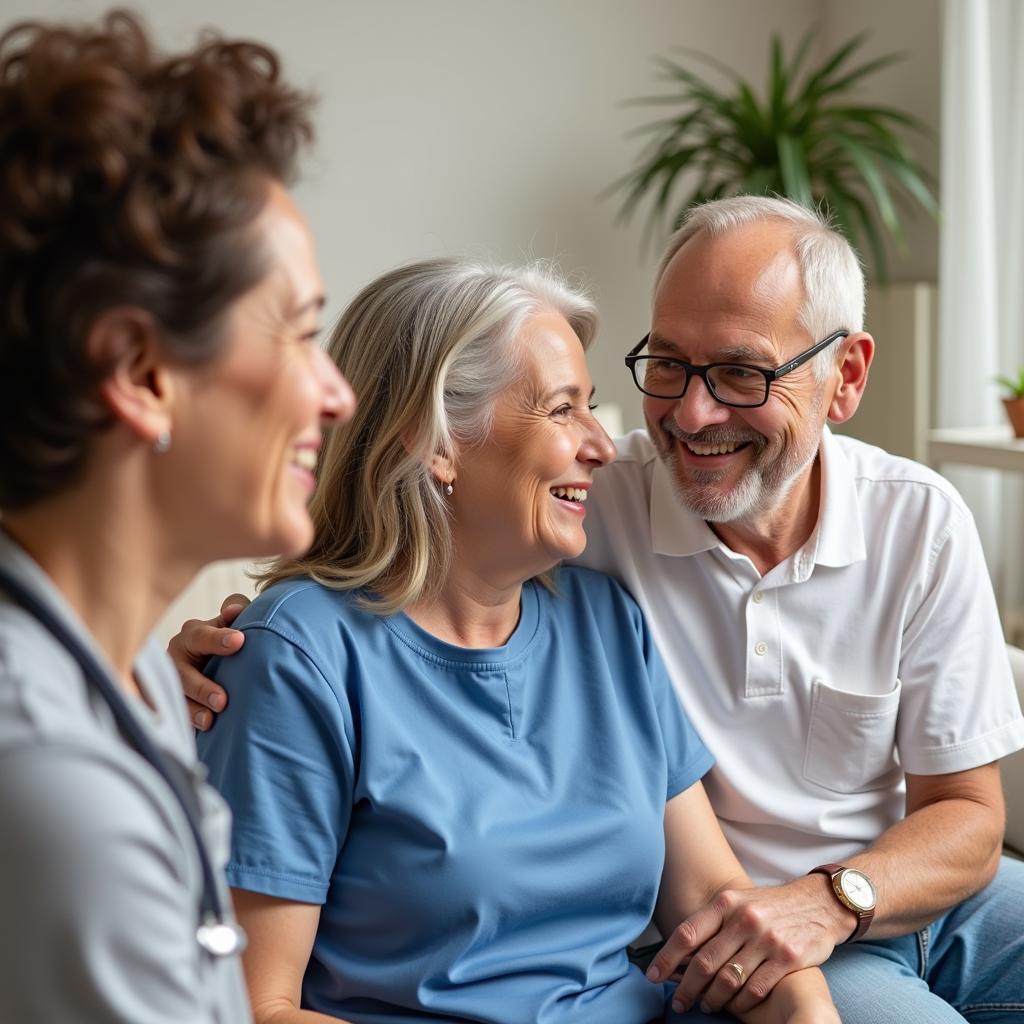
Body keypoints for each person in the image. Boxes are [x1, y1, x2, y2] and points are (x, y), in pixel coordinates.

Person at [185, 257, 837, 1022]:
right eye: (564, 410)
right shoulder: (300, 654)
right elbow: (257, 1005)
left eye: (592, 407)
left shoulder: (606, 623)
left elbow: (714, 903)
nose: (602, 443)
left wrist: (805, 1007)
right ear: (435, 445)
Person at [576, 195, 1024, 1022]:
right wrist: (267, 620)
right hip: (734, 942)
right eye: (668, 364)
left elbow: (966, 816)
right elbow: (399, 555)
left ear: (844, 376)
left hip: (915, 899)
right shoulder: (589, 509)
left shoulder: (917, 519)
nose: (691, 413)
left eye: (743, 373)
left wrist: (833, 899)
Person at [0, 10, 354, 1022]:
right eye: (299, 334)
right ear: (142, 373)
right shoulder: (53, 791)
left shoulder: (144, 675)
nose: (336, 393)